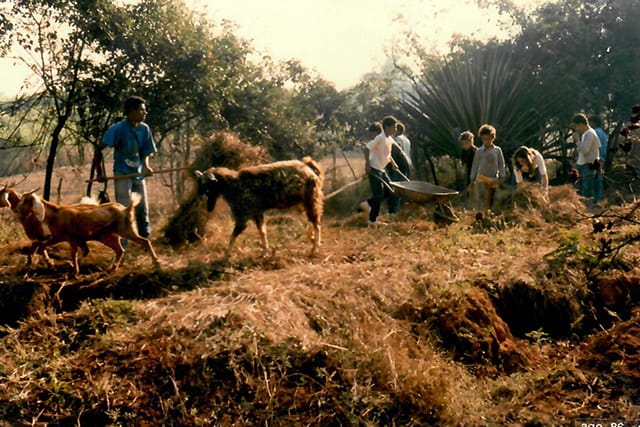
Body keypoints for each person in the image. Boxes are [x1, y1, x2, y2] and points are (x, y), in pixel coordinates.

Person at [100, 95, 157, 239]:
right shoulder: (118, 129)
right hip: (122, 173)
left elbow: (145, 151)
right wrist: (100, 173)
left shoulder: (145, 129)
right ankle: (124, 244)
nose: (145, 113)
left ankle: (145, 240)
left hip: (138, 174)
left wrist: (146, 166)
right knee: (124, 210)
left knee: (143, 210)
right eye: (142, 110)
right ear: (132, 111)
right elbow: (98, 149)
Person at [363, 116, 399, 226]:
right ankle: (372, 220)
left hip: (381, 169)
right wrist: (368, 165)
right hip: (374, 168)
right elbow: (367, 149)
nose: (396, 129)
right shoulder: (380, 138)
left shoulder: (389, 139)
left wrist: (393, 163)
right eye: (394, 127)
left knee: (391, 191)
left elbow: (388, 154)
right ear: (387, 127)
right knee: (378, 195)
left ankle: (367, 204)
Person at [468, 124, 506, 215]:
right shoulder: (479, 151)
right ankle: (481, 217)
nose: (486, 141)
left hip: (493, 178)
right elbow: (475, 166)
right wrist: (472, 180)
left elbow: (501, 164)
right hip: (481, 179)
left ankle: (490, 216)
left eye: (488, 139)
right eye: (484, 139)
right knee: (481, 199)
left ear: (492, 138)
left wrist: (502, 176)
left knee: (492, 199)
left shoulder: (497, 150)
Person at [571, 113, 601, 205]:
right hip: (582, 164)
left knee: (586, 190)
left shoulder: (590, 134)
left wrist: (577, 141)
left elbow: (585, 150)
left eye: (576, 126)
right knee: (579, 188)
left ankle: (587, 210)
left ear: (581, 124)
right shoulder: (586, 134)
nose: (576, 129)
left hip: (588, 165)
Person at [590, 114, 607, 203]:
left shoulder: (594, 132)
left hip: (595, 158)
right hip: (602, 158)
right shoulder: (603, 133)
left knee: (591, 179)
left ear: (594, 123)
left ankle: (592, 200)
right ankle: (598, 199)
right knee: (598, 179)